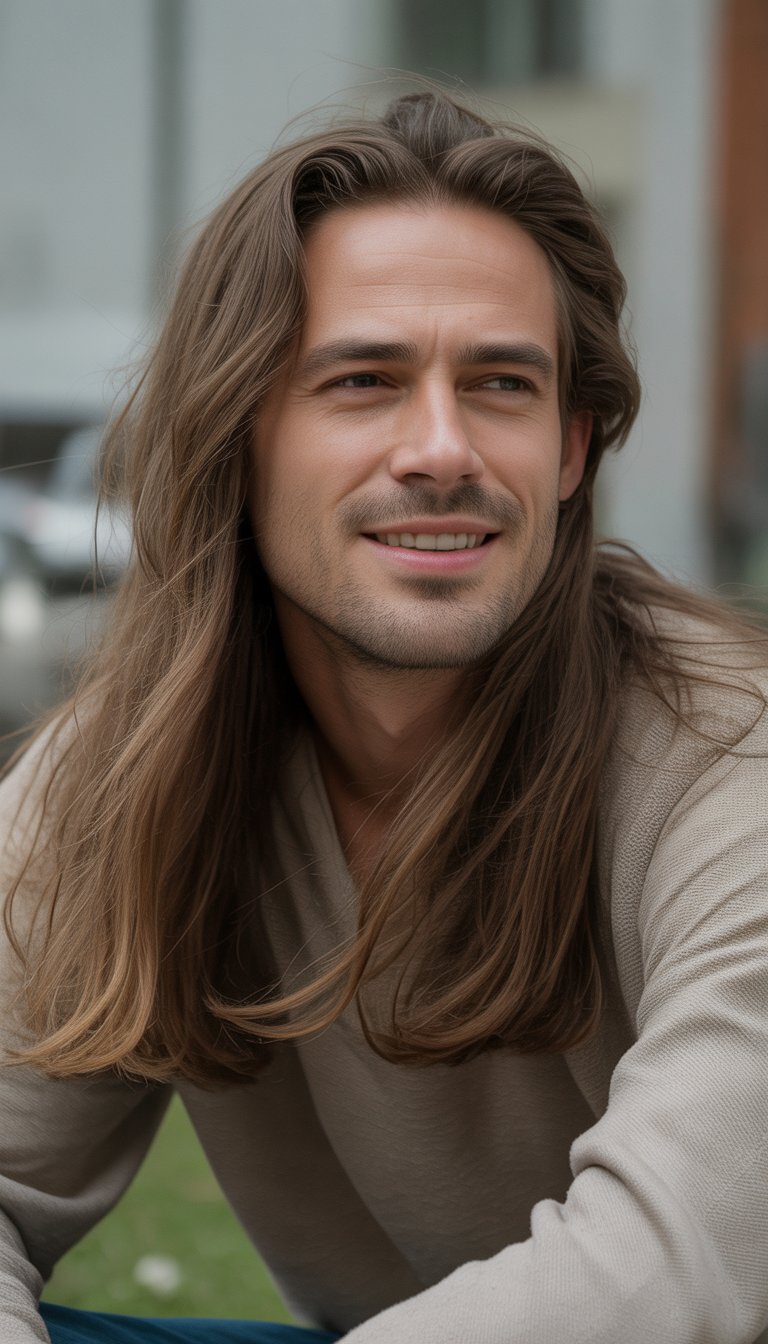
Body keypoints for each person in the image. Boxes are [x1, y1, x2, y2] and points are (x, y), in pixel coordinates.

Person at [2, 90, 768, 1344]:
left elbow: (683, 1264)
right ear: (238, 435)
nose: (442, 449)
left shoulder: (728, 760)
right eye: (364, 380)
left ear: (572, 448)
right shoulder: (129, 774)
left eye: (502, 384)